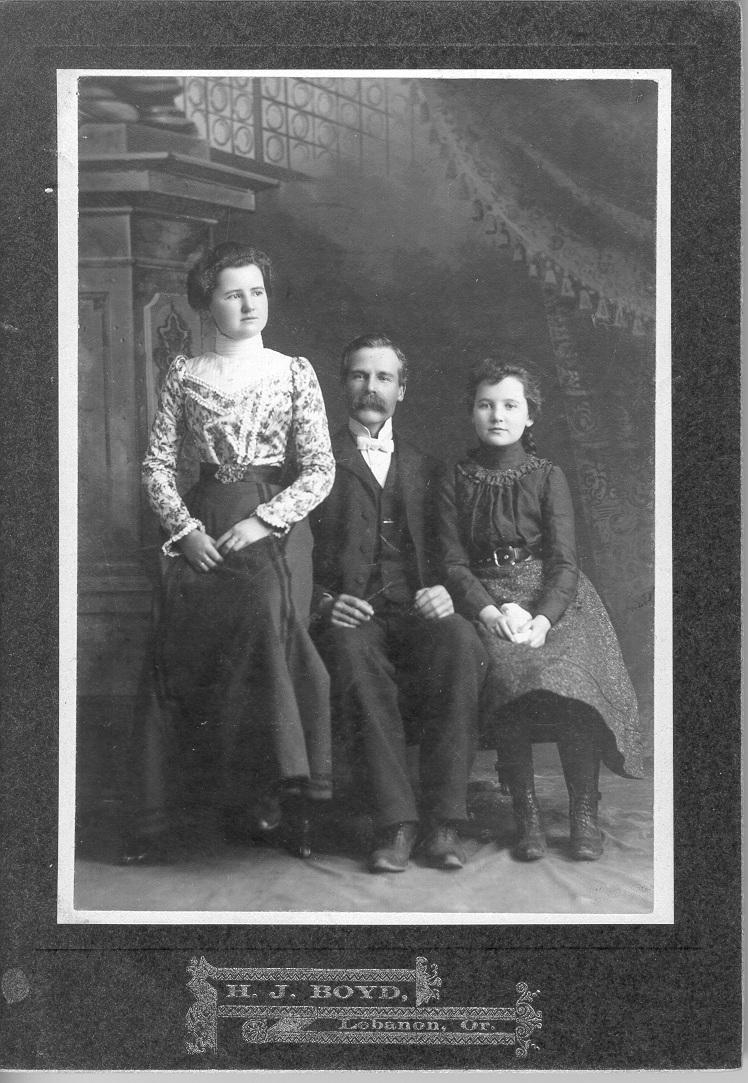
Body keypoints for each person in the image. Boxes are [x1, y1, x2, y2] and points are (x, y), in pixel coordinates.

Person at [123, 241, 335, 862]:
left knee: (264, 612)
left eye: (257, 291)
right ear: (206, 303)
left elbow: (319, 469)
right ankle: (173, 809)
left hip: (274, 526)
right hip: (203, 520)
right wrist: (185, 532)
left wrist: (265, 521)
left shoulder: (294, 372)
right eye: (233, 294)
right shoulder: (185, 374)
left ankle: (282, 793)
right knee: (177, 633)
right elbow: (156, 466)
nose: (249, 304)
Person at [439, 357, 643, 862]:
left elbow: (565, 562)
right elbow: (452, 562)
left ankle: (583, 814)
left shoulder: (548, 476)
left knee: (570, 678)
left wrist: (545, 618)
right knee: (509, 677)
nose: (497, 415)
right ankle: (526, 815)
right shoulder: (454, 477)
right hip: (486, 597)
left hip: (553, 597)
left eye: (510, 405)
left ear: (530, 415)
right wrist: (489, 613)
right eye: (486, 405)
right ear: (471, 412)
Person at [310, 333, 487, 873]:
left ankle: (444, 820)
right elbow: (291, 551)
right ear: (343, 385)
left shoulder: (426, 466)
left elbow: (452, 550)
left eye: (384, 377)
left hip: (416, 609)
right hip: (353, 611)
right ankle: (395, 822)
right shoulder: (315, 460)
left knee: (461, 642)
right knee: (350, 651)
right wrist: (324, 602)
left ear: (402, 390)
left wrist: (445, 590)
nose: (371, 387)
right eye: (360, 375)